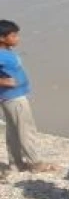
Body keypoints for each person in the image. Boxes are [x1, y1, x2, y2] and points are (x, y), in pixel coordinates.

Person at [0, 20, 60, 180]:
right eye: (13, 35)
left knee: (13, 131)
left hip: (10, 97)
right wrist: (3, 81)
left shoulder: (6, 51)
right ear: (2, 38)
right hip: (14, 98)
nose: (17, 38)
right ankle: (35, 163)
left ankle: (16, 163)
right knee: (26, 130)